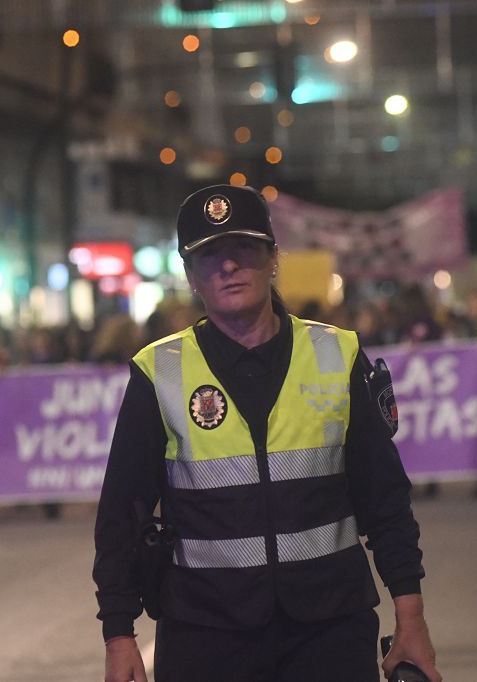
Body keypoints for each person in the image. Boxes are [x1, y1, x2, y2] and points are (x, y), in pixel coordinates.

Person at [93, 185, 441, 682]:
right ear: (192, 276)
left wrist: (412, 620)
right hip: (205, 635)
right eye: (209, 255)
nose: (228, 266)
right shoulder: (158, 373)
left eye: (243, 248)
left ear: (273, 259)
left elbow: (386, 503)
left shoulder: (336, 355)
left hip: (329, 631)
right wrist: (119, 635)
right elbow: (119, 517)